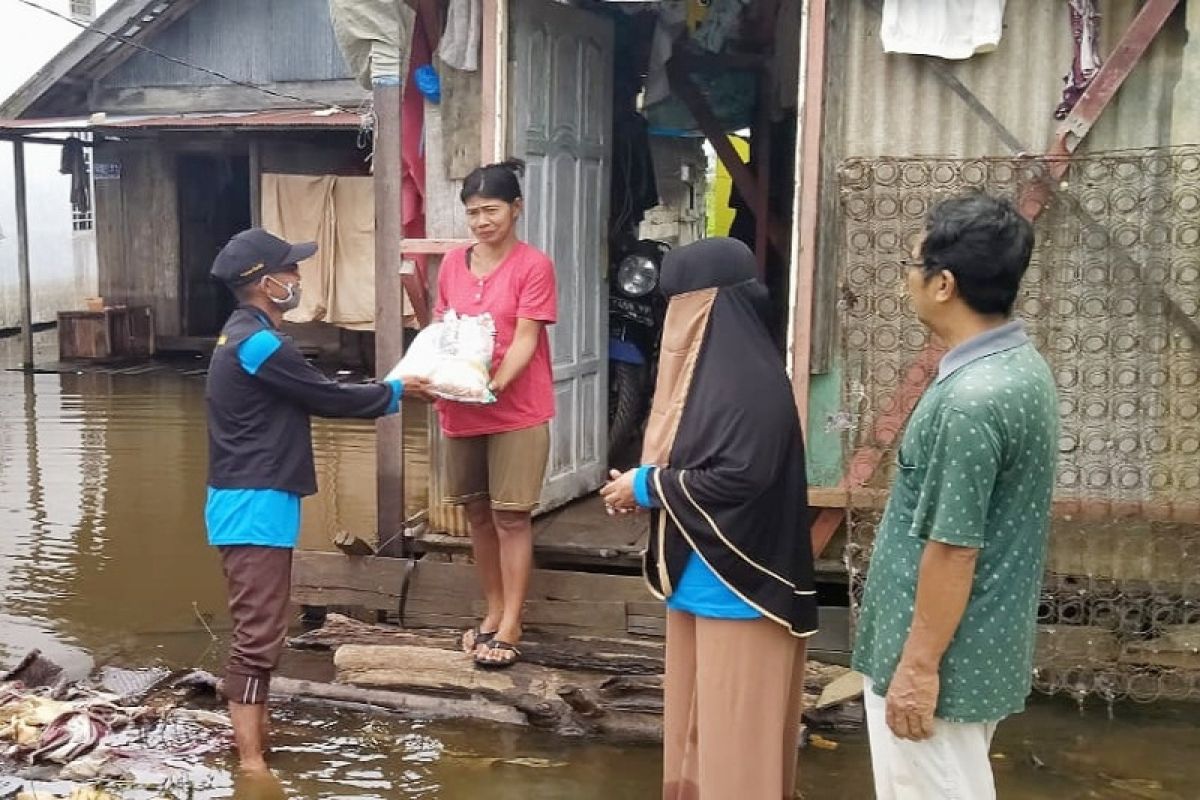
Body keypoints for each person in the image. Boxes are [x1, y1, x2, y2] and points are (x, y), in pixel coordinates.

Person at [851, 193, 1058, 800]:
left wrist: (917, 670)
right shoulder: (1021, 367)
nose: (905, 282)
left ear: (944, 284)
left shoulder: (972, 401)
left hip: (942, 667)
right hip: (976, 651)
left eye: (910, 267)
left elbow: (954, 549)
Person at [205, 228, 430, 773]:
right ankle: (254, 766)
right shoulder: (258, 343)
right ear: (265, 284)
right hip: (253, 503)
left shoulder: (242, 334)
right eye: (292, 271)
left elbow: (313, 392)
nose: (299, 279)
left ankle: (257, 740)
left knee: (263, 627)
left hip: (256, 499)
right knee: (257, 636)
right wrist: (399, 391)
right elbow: (326, 396)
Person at [601, 238, 818, 800]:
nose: (673, 323)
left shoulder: (751, 385)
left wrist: (646, 486)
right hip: (696, 580)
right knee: (694, 735)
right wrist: (642, 487)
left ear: (712, 308)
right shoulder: (708, 379)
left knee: (737, 749)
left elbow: (740, 476)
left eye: (682, 307)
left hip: (742, 587)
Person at [435, 160, 557, 669]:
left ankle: (512, 622)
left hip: (517, 408)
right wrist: (439, 378)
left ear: (516, 209)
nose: (482, 221)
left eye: (491, 210)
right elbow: (443, 328)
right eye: (472, 213)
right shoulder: (450, 264)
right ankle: (490, 610)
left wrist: (494, 385)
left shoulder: (534, 265)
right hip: (459, 406)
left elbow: (527, 337)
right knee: (477, 514)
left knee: (511, 516)